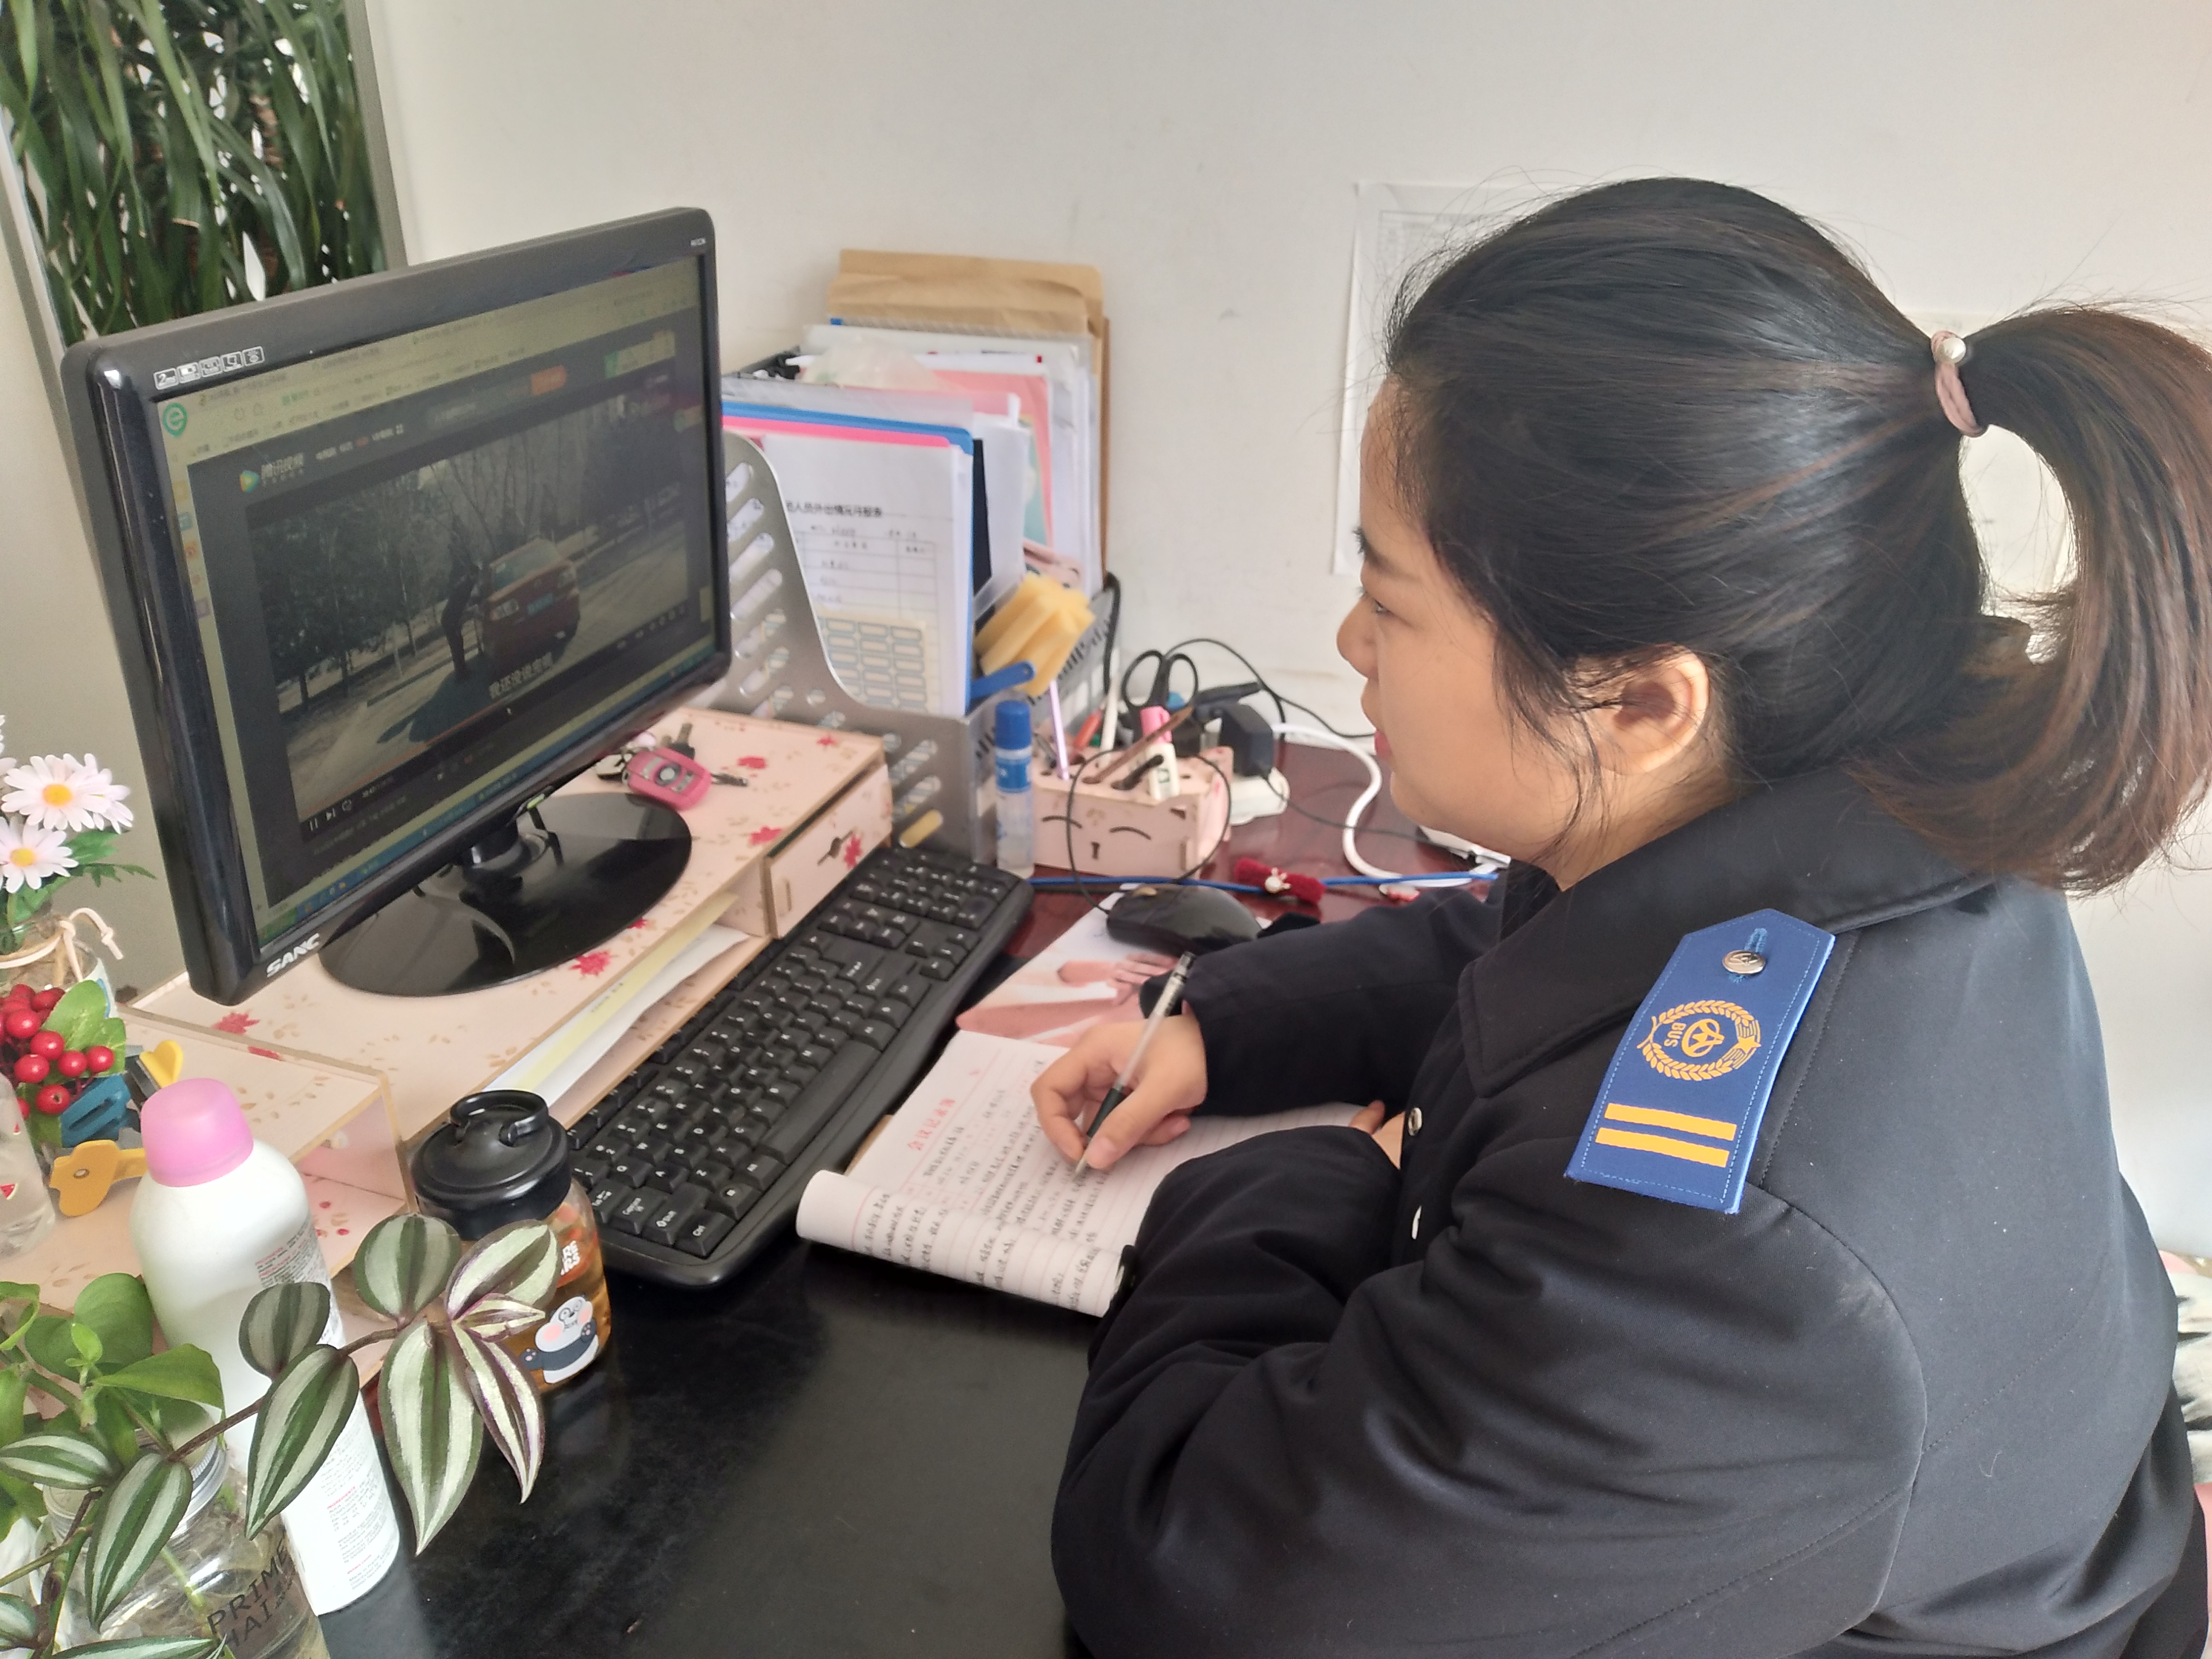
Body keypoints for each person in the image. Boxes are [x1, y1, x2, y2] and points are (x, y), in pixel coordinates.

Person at [1035, 179, 2212, 1659]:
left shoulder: (1724, 1270)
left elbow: (1179, 1571)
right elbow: (1550, 956)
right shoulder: (1865, 808)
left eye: (1389, 600)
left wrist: (1314, 1178)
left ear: (1645, 703)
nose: (1349, 642)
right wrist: (1225, 1024)